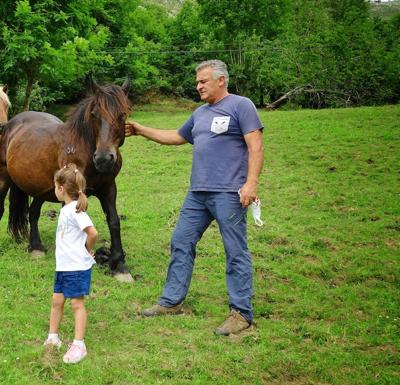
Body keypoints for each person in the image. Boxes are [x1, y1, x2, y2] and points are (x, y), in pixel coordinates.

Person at [126, 60, 264, 336]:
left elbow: (255, 145)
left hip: (229, 193)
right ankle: (172, 301)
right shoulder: (199, 113)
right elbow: (176, 136)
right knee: (181, 241)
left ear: (221, 80)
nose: (198, 86)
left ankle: (241, 314)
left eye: (203, 81)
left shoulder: (241, 106)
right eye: (197, 82)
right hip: (197, 194)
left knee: (235, 251)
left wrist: (251, 183)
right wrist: (141, 130)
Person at [43, 164, 98, 363]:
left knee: (76, 304)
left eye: (55, 186)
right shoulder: (67, 209)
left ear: (61, 189)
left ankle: (79, 345)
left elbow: (93, 233)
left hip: (75, 267)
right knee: (57, 301)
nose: (54, 190)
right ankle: (53, 337)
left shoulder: (76, 211)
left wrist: (86, 248)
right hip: (63, 267)